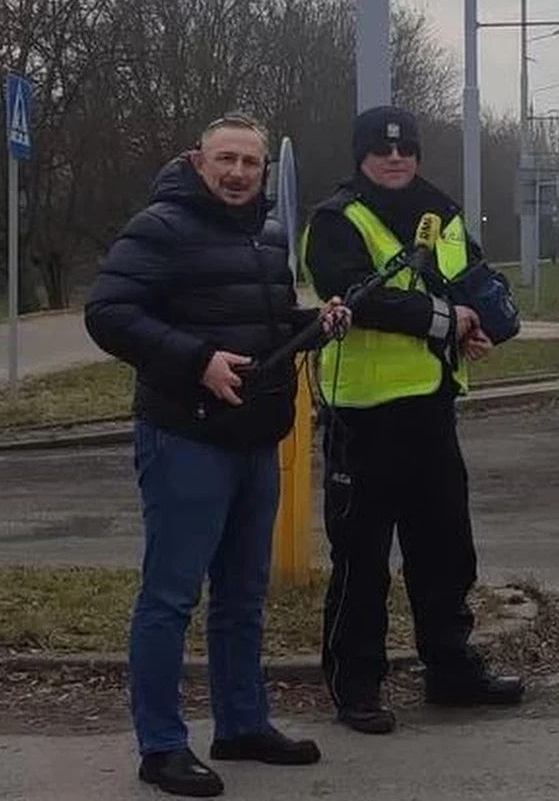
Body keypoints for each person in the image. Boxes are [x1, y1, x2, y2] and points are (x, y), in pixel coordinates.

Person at [85, 114, 350, 799]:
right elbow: (108, 312)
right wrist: (197, 360)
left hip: (254, 440)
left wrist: (311, 327)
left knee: (242, 597)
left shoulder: (266, 234)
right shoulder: (161, 227)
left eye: (250, 164)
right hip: (185, 436)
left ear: (264, 172)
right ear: (198, 161)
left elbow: (259, 324)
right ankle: (162, 745)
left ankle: (241, 723)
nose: (237, 174)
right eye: (225, 160)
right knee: (170, 598)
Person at [302, 104, 523, 736]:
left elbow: (467, 278)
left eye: (405, 150)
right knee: (362, 559)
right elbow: (357, 296)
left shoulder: (441, 211)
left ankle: (451, 669)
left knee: (445, 548)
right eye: (380, 150)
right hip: (362, 416)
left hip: (431, 408)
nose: (394, 159)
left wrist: (479, 327)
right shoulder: (335, 218)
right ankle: (356, 685)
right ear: (360, 155)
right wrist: (447, 322)